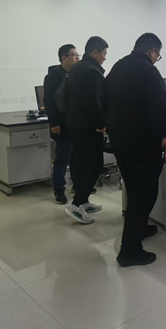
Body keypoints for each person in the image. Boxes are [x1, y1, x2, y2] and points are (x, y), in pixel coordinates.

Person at [106, 33, 166, 267]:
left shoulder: (118, 67)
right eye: (158, 55)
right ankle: (130, 250)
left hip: (121, 141)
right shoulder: (149, 71)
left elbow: (104, 99)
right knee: (144, 193)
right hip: (143, 143)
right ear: (152, 51)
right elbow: (158, 106)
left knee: (134, 189)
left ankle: (141, 228)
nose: (156, 59)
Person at [64, 36, 108, 224]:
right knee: (93, 165)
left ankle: (83, 201)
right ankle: (77, 204)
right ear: (94, 52)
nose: (105, 57)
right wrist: (101, 124)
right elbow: (94, 102)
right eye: (103, 53)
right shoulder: (91, 71)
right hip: (90, 127)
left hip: (77, 125)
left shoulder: (77, 68)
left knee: (81, 164)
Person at [43, 44, 79, 204]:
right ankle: (59, 189)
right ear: (64, 58)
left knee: (77, 157)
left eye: (78, 55)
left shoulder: (76, 74)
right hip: (62, 124)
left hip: (76, 124)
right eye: (74, 55)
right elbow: (49, 102)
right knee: (62, 158)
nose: (77, 58)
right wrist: (54, 123)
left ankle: (77, 185)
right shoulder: (53, 77)